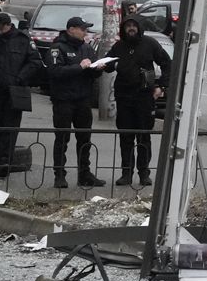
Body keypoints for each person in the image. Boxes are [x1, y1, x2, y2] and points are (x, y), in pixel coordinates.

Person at [45, 16, 110, 188]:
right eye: (82, 29)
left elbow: (91, 73)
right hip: (63, 100)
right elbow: (55, 72)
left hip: (82, 100)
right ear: (71, 29)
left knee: (84, 138)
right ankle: (59, 174)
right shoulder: (57, 48)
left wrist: (97, 69)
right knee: (62, 138)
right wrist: (79, 67)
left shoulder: (86, 48)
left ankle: (84, 174)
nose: (85, 32)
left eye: (86, 29)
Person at [109, 17, 173, 185]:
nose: (131, 29)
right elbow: (108, 63)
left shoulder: (149, 44)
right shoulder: (119, 46)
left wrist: (161, 87)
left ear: (139, 28)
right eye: (128, 26)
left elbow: (167, 64)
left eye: (133, 26)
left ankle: (144, 173)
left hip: (144, 97)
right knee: (126, 137)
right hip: (124, 98)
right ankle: (126, 173)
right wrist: (103, 65)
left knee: (144, 137)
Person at [0, 13, 41, 178]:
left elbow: (35, 62)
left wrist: (20, 78)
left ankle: (5, 162)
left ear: (8, 25)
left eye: (1, 28)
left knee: (10, 128)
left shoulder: (23, 40)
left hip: (15, 91)